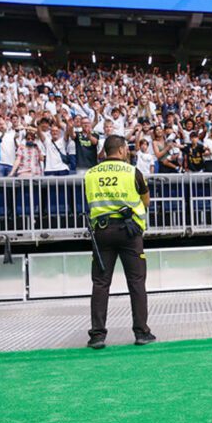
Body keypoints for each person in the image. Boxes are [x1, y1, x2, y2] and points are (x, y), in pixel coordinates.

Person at [84, 135, 156, 349]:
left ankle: (97, 335)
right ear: (123, 150)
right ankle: (141, 332)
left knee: (100, 283)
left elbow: (89, 201)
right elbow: (146, 200)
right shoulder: (133, 171)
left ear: (105, 151)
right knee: (136, 282)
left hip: (102, 232)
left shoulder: (90, 174)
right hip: (130, 233)